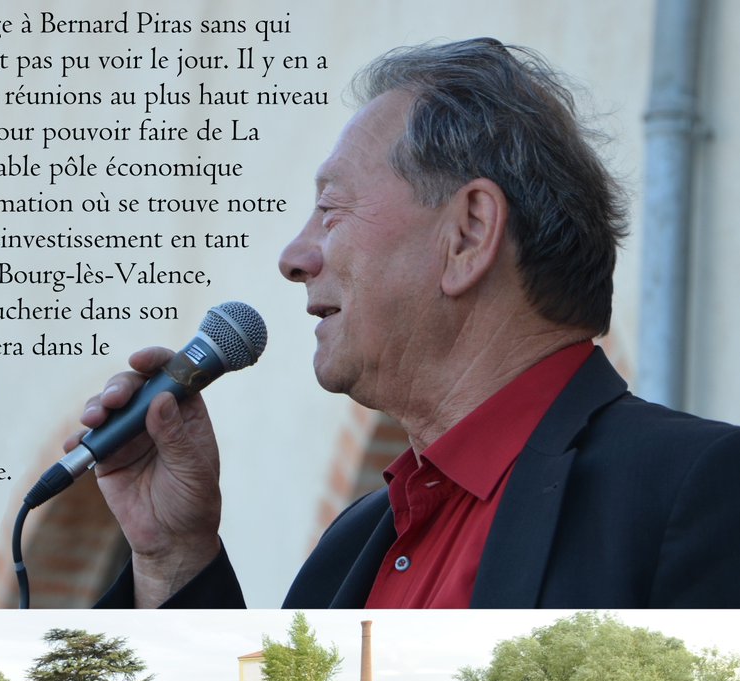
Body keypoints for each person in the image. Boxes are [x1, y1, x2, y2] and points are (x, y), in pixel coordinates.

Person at [73, 37, 740, 610]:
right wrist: (172, 556)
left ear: (468, 234)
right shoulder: (356, 538)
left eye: (331, 210)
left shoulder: (698, 486)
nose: (294, 258)